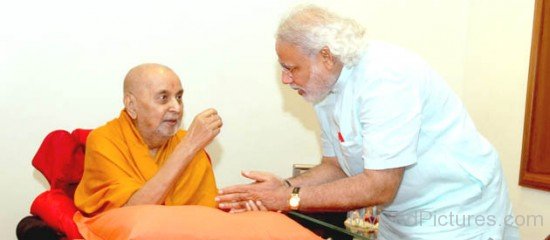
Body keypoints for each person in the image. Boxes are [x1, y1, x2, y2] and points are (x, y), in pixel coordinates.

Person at [216, 5, 519, 239]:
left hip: (456, 210)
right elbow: (335, 167)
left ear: (325, 56)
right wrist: (283, 186)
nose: (285, 79)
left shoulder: (385, 77)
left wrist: (288, 198)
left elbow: (380, 186)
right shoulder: (323, 88)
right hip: (400, 215)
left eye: (291, 68)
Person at [74, 63, 223, 216]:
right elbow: (130, 215)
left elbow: (207, 211)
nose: (177, 108)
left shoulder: (185, 140)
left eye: (179, 97)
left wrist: (236, 202)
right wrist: (188, 147)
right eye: (163, 98)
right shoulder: (104, 140)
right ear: (132, 105)